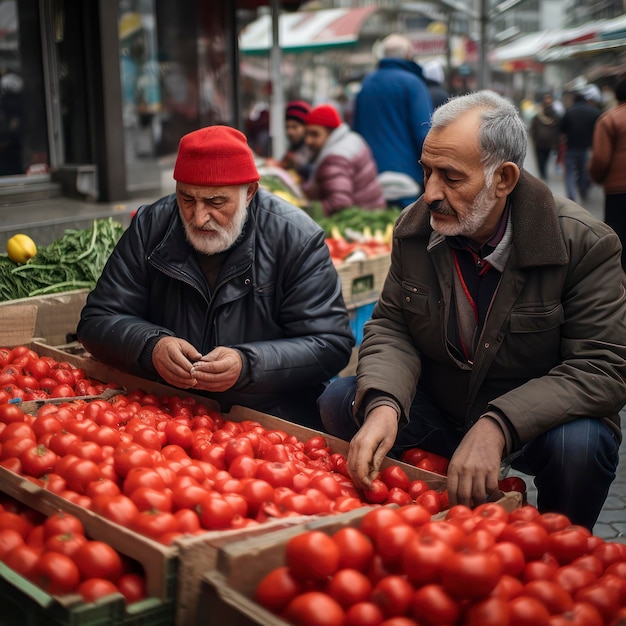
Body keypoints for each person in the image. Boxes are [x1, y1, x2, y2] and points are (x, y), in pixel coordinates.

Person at [318, 90, 626, 531]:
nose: (430, 194)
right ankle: (417, 517)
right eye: (426, 171)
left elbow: (602, 367)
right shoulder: (415, 230)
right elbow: (392, 326)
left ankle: (560, 553)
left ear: (503, 178)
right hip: (444, 407)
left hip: (532, 423)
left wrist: (499, 424)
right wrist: (385, 403)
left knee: (583, 444)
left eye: (450, 176)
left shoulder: (584, 243)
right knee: (344, 399)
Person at [77, 125, 355, 430]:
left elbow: (330, 343)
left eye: (216, 202)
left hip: (267, 417)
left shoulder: (295, 238)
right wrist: (151, 347)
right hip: (166, 409)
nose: (198, 217)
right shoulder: (150, 227)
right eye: (187, 199)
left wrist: (248, 365)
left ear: (249, 192)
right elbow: (97, 319)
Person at [353, 33, 432, 208]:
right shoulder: (413, 83)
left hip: (371, 174)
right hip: (407, 175)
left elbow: (356, 130)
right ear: (408, 55)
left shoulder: (367, 84)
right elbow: (424, 132)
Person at [301, 103, 386, 216]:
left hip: (360, 218)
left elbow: (339, 202)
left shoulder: (335, 158)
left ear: (330, 132)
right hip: (373, 210)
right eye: (306, 134)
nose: (308, 141)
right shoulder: (352, 138)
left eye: (315, 134)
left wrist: (306, 212)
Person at [589, 72, 626, 271]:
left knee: (619, 238)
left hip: (618, 191)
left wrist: (597, 177)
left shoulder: (609, 119)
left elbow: (601, 158)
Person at [559, 86, 601, 202]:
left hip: (571, 148)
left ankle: (571, 196)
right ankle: (583, 190)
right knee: (584, 172)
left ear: (575, 101)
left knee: (569, 173)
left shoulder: (569, 112)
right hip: (587, 149)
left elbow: (561, 131)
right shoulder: (595, 112)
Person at [529, 91, 562, 181]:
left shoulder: (554, 114)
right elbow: (533, 128)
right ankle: (542, 173)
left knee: (545, 159)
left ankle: (543, 173)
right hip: (540, 141)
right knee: (540, 159)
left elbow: (557, 128)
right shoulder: (538, 114)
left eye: (549, 98)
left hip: (549, 142)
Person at [279, 100, 312, 184]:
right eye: (287, 127)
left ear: (306, 127)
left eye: (294, 127)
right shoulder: (294, 147)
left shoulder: (313, 148)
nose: (289, 132)